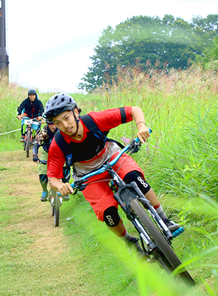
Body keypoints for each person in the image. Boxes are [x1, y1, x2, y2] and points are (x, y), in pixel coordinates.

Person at [42, 93, 182, 252]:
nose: (65, 125)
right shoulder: (58, 144)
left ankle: (164, 220)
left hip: (112, 157)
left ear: (75, 112)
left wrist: (141, 126)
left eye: (67, 118)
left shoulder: (94, 120)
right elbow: (52, 178)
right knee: (109, 214)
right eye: (58, 123)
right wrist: (60, 186)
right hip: (87, 175)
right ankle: (129, 242)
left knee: (134, 178)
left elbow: (133, 110)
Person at [32, 121, 60, 201]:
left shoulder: (61, 130)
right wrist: (35, 155)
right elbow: (36, 143)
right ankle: (44, 190)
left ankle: (65, 186)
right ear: (48, 124)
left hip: (60, 152)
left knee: (66, 166)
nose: (53, 126)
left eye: (55, 123)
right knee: (43, 171)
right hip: (47, 152)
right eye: (51, 124)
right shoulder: (45, 131)